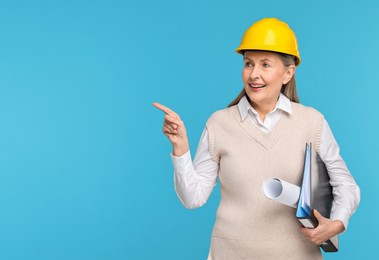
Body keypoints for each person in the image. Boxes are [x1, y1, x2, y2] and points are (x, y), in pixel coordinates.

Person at [153, 18, 360, 259]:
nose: (254, 74)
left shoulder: (312, 122)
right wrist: (180, 148)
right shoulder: (220, 123)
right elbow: (192, 198)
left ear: (288, 73)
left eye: (265, 65)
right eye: (248, 63)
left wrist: (338, 222)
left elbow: (346, 185)